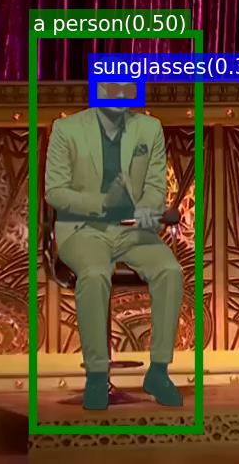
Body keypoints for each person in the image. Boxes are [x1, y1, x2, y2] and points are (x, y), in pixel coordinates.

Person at [44, 103, 185, 410]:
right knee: (95, 273)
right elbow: (55, 192)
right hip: (83, 228)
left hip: (131, 230)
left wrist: (146, 210)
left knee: (170, 271)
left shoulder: (149, 128)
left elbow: (155, 187)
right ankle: (97, 375)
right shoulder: (66, 129)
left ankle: (159, 371)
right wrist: (103, 203)